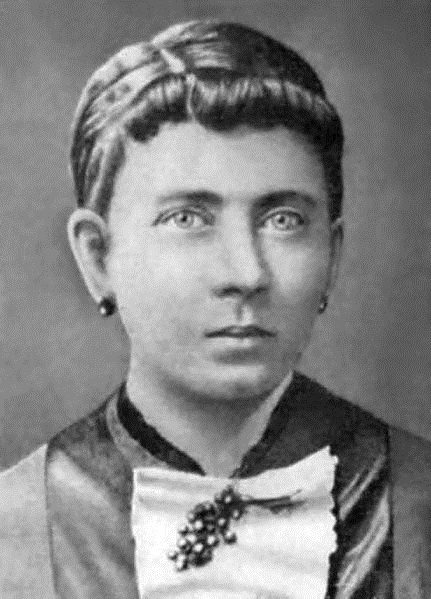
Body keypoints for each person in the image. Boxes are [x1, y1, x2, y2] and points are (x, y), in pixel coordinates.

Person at [1, 19, 430, 599]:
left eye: (284, 221)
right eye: (188, 219)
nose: (245, 274)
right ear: (98, 256)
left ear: (332, 254)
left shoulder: (418, 503)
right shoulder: (17, 527)